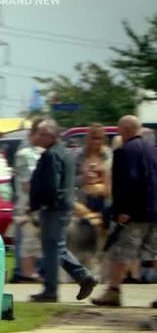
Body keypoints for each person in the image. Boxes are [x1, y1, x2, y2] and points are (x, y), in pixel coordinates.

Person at [28, 119, 97, 302]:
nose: (38, 137)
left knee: (52, 249)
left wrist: (42, 203)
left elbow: (51, 184)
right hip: (63, 205)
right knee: (57, 247)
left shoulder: (51, 155)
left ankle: (51, 291)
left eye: (42, 134)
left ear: (51, 135)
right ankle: (84, 277)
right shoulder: (66, 153)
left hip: (53, 207)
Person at [91, 115, 157, 306]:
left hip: (134, 214)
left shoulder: (124, 152)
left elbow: (128, 182)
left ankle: (113, 292)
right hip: (153, 210)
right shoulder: (150, 150)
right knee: (154, 254)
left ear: (125, 130)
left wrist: (122, 210)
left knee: (119, 253)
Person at [10, 118, 45, 283]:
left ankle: (33, 273)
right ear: (34, 133)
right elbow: (27, 184)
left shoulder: (41, 152)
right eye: (42, 133)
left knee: (36, 245)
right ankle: (26, 275)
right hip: (27, 206)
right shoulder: (25, 154)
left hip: (39, 205)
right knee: (27, 243)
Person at [76, 124, 112, 226]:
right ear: (87, 138)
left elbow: (113, 175)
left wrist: (103, 173)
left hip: (104, 200)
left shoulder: (107, 154)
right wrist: (84, 178)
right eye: (94, 138)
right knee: (86, 233)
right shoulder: (79, 156)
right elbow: (70, 180)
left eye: (100, 138)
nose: (96, 141)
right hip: (85, 201)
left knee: (103, 233)